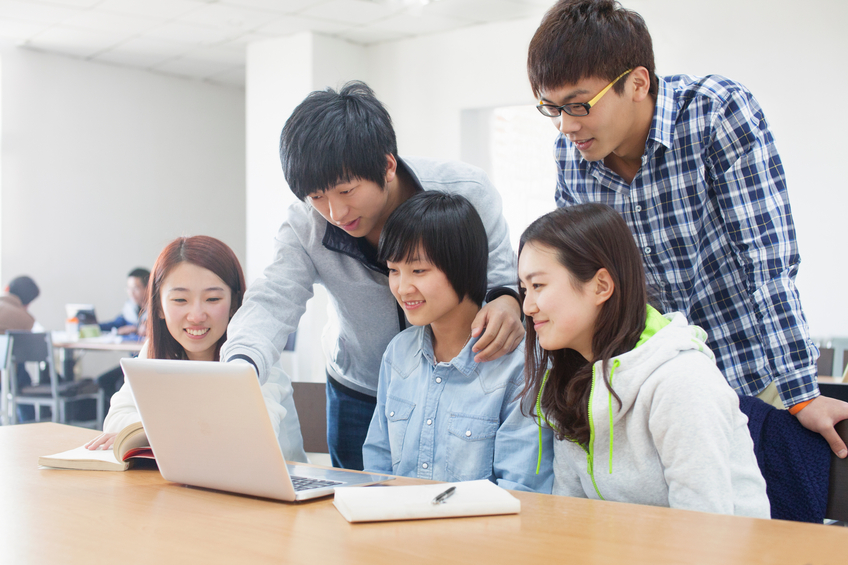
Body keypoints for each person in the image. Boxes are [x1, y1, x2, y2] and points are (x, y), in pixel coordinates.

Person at [526, 0, 848, 458]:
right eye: (552, 108)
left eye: (579, 104)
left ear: (637, 83)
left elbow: (765, 259)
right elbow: (584, 284)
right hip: (650, 391)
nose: (567, 125)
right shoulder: (571, 157)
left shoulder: (714, 113)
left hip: (750, 375)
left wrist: (802, 391)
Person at [221, 81, 524, 470]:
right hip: (359, 388)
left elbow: (502, 275)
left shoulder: (466, 191)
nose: (335, 212)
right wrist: (240, 368)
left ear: (387, 165)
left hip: (463, 384)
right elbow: (273, 298)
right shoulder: (306, 224)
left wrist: (507, 300)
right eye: (316, 196)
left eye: (347, 191)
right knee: (362, 502)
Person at [518, 203, 769, 516]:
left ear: (601, 286)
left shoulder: (682, 380)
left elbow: (704, 532)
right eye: (523, 288)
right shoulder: (572, 378)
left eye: (538, 285)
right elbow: (570, 516)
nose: (527, 307)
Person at [362, 192, 553, 492]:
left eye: (418, 270)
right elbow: (377, 466)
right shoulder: (398, 354)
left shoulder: (520, 365)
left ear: (462, 266)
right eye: (393, 270)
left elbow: (522, 490)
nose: (402, 287)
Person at [85, 236, 307, 463]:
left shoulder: (255, 354)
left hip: (274, 487)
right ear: (159, 307)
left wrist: (153, 429)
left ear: (233, 304)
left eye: (212, 298)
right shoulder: (154, 351)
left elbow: (252, 436)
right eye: (180, 300)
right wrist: (194, 428)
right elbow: (116, 420)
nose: (197, 316)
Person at [1, 275, 42, 422]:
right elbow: (30, 351)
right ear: (28, 303)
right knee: (21, 370)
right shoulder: (25, 318)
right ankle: (27, 423)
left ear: (7, 288)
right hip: (5, 374)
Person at [99, 267, 150, 337]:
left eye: (135, 288)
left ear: (148, 288)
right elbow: (115, 324)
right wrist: (91, 325)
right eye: (129, 288)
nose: (131, 293)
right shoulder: (130, 308)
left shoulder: (158, 312)